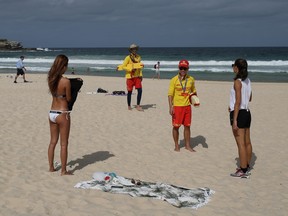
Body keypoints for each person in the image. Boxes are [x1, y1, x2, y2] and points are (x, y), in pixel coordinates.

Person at [47, 54, 73, 176]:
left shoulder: (51, 78)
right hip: (62, 113)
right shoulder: (65, 81)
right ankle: (63, 170)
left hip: (52, 112)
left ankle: (51, 167)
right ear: (63, 66)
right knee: (64, 143)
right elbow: (68, 98)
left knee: (52, 142)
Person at [229, 58, 253, 178]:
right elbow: (250, 98)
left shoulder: (237, 82)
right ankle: (246, 166)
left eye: (233, 65)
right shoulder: (248, 81)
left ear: (237, 68)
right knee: (247, 142)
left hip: (240, 113)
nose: (233, 67)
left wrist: (235, 119)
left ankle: (243, 170)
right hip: (247, 112)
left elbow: (238, 102)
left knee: (240, 144)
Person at [168, 60, 197, 152]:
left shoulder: (191, 79)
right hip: (177, 107)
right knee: (176, 126)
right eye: (181, 68)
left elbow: (193, 91)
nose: (183, 70)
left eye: (185, 68)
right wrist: (170, 107)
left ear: (188, 69)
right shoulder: (174, 80)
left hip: (187, 106)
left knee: (187, 126)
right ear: (179, 68)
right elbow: (170, 94)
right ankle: (176, 145)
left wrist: (195, 99)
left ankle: (187, 146)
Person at [121, 44, 143, 111]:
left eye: (135, 49)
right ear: (131, 50)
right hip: (130, 77)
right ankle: (129, 105)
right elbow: (123, 66)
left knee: (140, 91)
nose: (134, 50)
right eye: (133, 49)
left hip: (137, 77)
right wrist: (130, 69)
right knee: (129, 92)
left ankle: (138, 105)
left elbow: (139, 67)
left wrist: (141, 75)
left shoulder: (139, 57)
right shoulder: (127, 58)